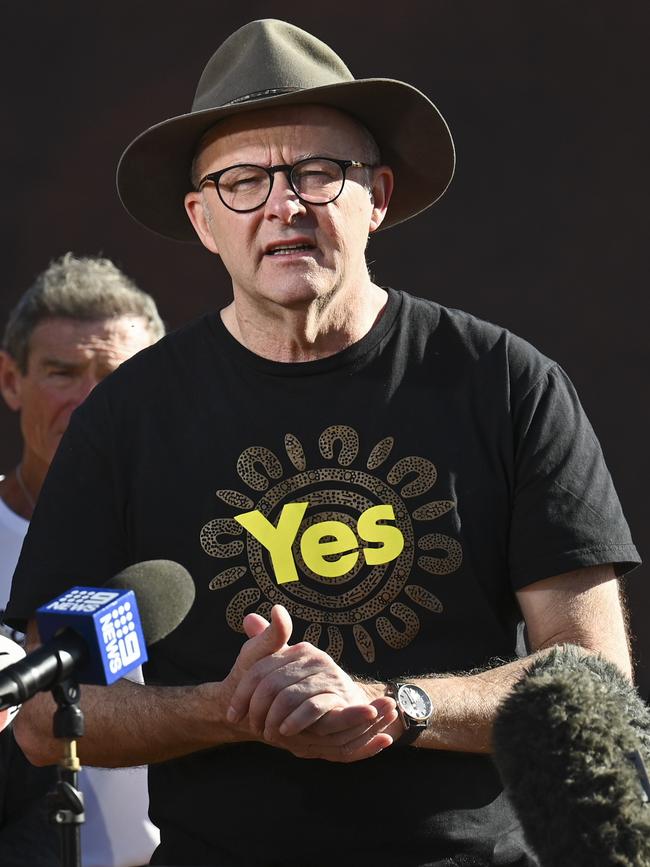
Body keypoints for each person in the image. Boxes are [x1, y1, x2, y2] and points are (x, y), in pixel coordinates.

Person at [6, 20, 640, 867]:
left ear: (376, 196)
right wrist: (227, 709)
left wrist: (394, 705)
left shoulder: (505, 383)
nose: (282, 204)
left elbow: (593, 679)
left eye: (316, 172)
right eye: (242, 181)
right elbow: (48, 716)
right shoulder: (127, 419)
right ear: (201, 218)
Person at [0, 252, 165, 866]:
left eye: (117, 376)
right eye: (63, 373)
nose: (92, 402)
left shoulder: (220, 540)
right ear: (11, 381)